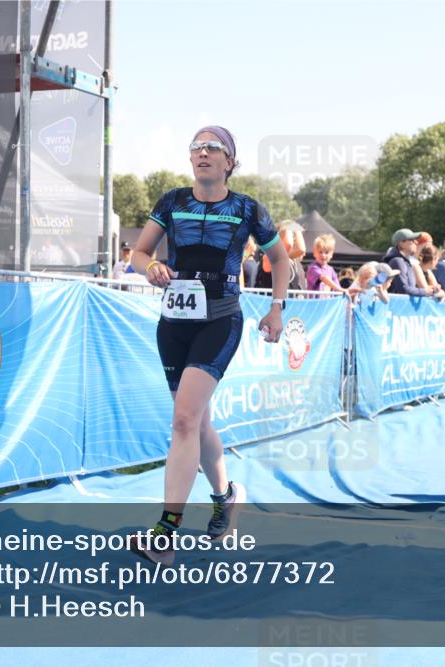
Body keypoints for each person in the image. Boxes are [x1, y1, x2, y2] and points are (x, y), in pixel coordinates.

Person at [130, 126, 289, 566]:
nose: (203, 153)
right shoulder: (172, 201)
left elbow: (280, 259)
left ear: (229, 162)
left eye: (213, 148)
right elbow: (138, 254)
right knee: (196, 423)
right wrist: (151, 267)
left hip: (220, 318)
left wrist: (276, 309)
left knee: (183, 421)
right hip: (175, 320)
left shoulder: (247, 209)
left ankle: (165, 533)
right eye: (196, 147)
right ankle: (225, 495)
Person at [383, 229, 435, 296]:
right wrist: (424, 291)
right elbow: (403, 290)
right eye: (412, 240)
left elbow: (409, 289)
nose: (416, 242)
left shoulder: (404, 262)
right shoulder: (397, 261)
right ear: (401, 243)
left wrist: (432, 290)